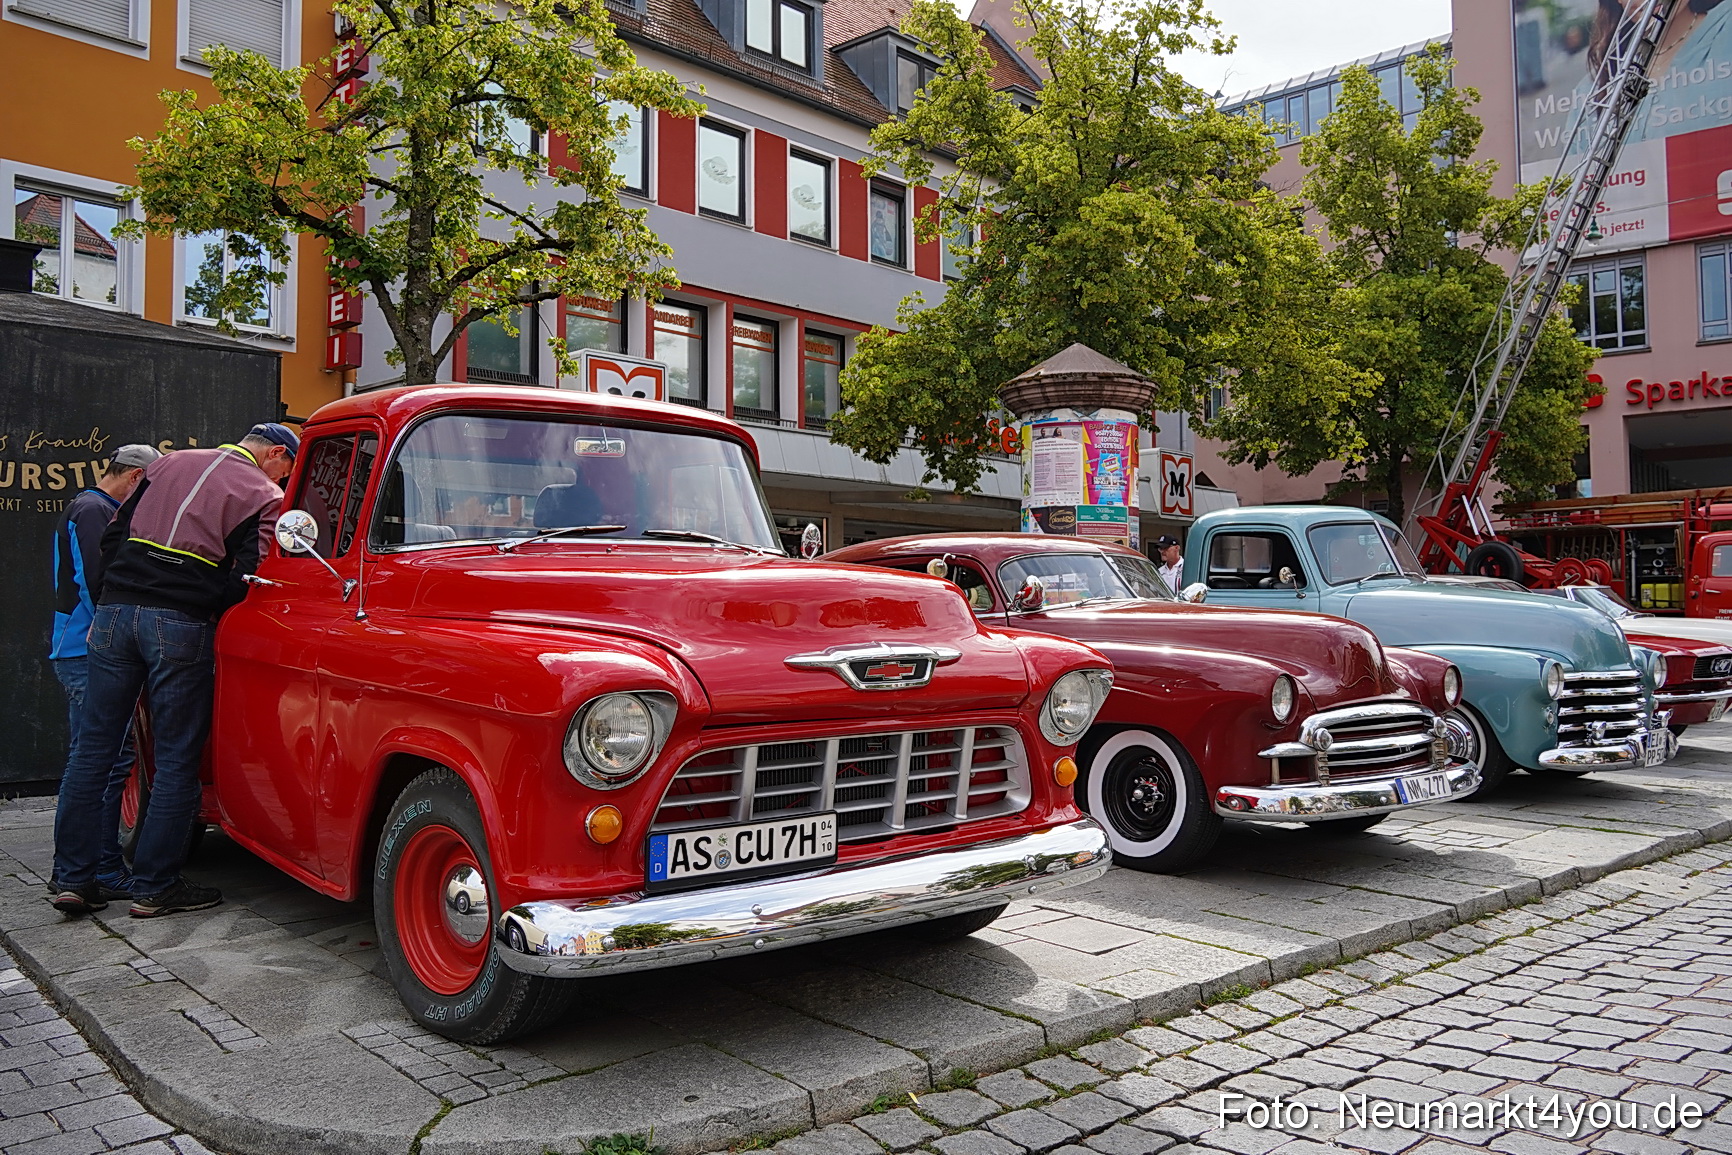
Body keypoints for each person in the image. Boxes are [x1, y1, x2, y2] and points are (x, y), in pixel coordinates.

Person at [51, 423, 296, 919]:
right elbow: (253, 575)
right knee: (176, 758)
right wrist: (206, 604)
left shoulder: (166, 463)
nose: (287, 480)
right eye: (288, 468)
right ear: (274, 454)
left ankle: (73, 880)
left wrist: (120, 593)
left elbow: (114, 537)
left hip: (115, 613)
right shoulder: (265, 495)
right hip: (180, 623)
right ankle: (154, 887)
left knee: (92, 751)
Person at [49, 443, 161, 899]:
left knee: (96, 760)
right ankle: (89, 871)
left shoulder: (86, 505)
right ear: (135, 478)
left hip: (77, 646)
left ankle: (83, 873)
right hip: (86, 647)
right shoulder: (97, 510)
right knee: (101, 762)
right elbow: (100, 583)